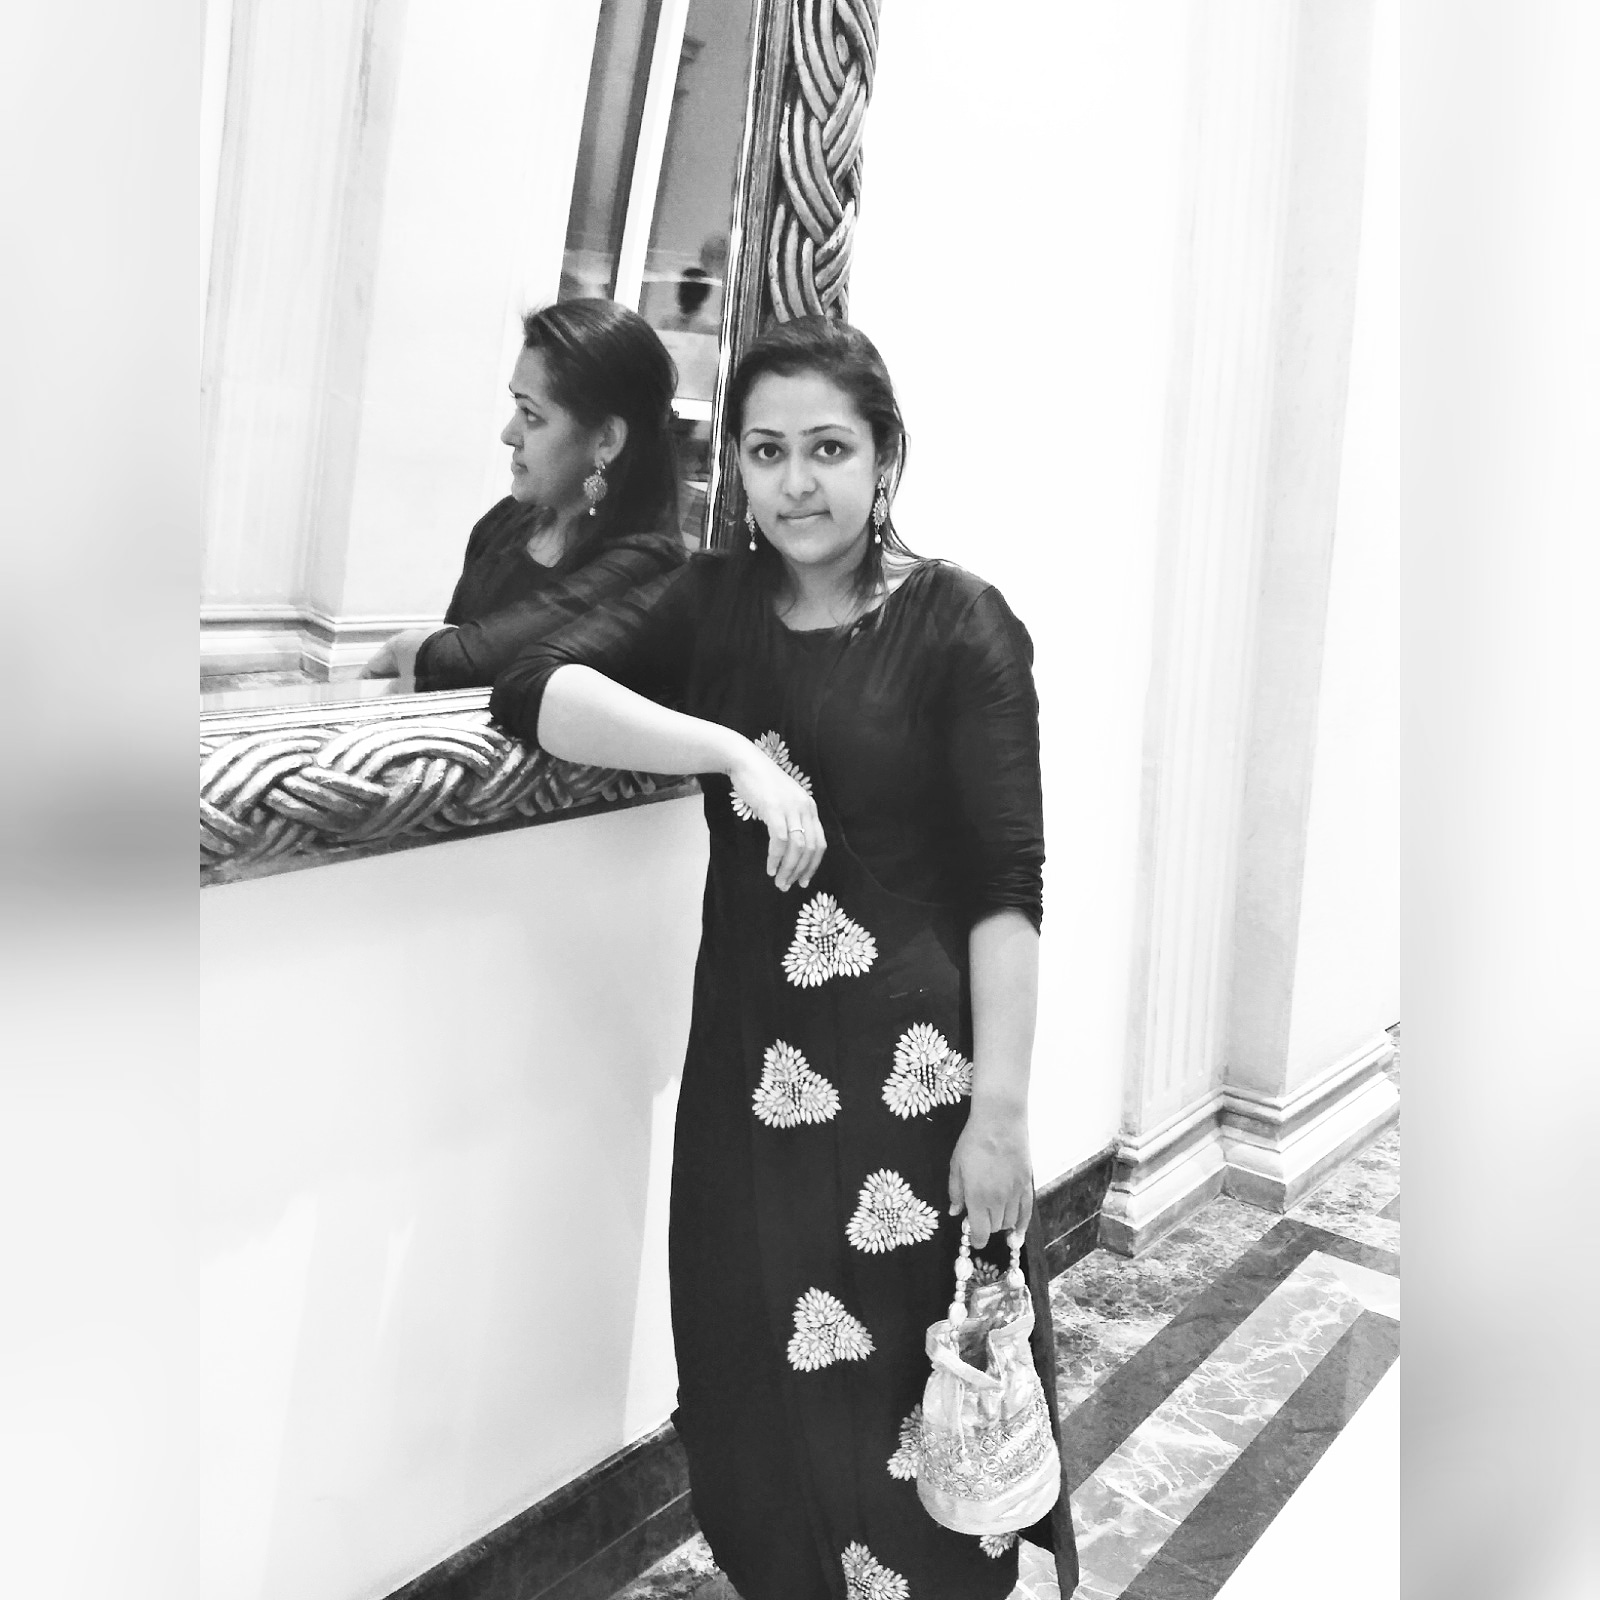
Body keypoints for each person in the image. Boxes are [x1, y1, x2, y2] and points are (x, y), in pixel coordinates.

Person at [490, 317, 1079, 1600]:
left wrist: (999, 1116)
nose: (796, 483)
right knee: (749, 1380)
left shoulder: (961, 624)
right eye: (766, 452)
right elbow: (532, 686)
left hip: (915, 1095)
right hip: (750, 1080)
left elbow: (1006, 887)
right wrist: (729, 753)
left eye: (828, 448)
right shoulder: (709, 606)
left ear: (885, 457)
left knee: (914, 1401)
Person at [361, 300, 689, 690]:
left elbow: (469, 658)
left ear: (606, 439)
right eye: (516, 406)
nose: (508, 434)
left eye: (531, 415)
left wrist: (405, 647)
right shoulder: (507, 521)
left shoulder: (647, 565)